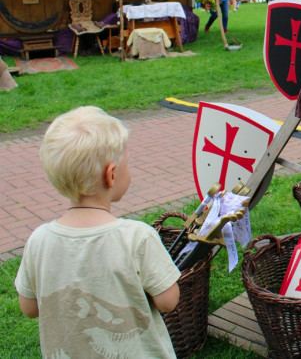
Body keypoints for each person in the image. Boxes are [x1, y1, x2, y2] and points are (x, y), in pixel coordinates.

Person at [15, 106, 180, 358]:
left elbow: (29, 307)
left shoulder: (39, 240)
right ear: (111, 175)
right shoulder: (137, 237)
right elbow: (168, 301)